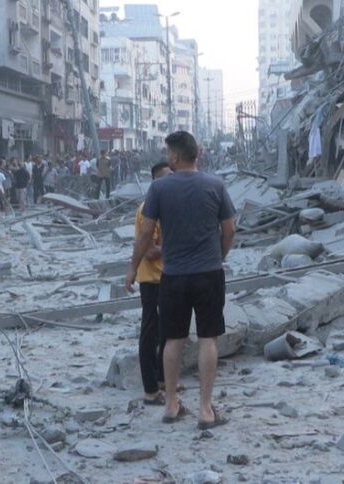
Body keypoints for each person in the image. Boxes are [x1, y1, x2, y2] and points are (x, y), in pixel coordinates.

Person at [126, 131, 236, 430]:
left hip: (173, 276)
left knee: (172, 339)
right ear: (197, 154)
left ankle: (172, 405)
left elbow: (146, 234)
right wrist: (220, 256)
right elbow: (229, 229)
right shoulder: (216, 185)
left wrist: (132, 269)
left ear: (174, 156)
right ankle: (205, 411)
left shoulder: (159, 189)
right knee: (208, 339)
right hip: (209, 274)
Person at [135, 161, 173, 406]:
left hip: (168, 276)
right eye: (168, 177)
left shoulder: (166, 207)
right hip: (151, 279)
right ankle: (150, 389)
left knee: (167, 331)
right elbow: (149, 252)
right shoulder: (146, 210)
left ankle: (162, 380)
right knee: (150, 332)